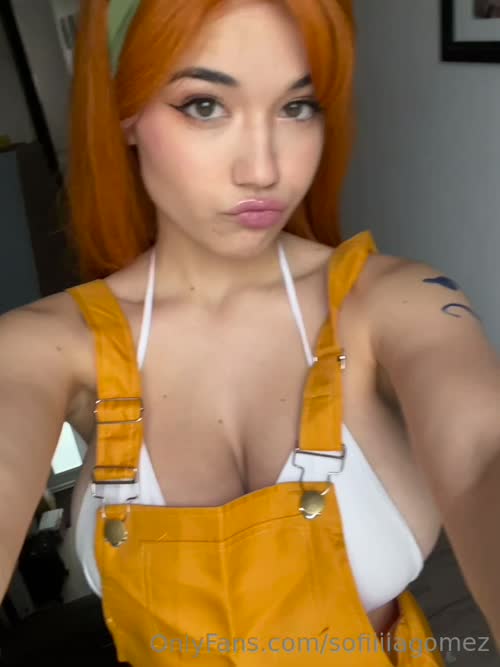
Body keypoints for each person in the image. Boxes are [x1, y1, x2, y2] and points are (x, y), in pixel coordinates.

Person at [1, 0, 499, 664]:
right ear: (124, 112)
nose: (264, 169)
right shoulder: (44, 345)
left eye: (297, 107)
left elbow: (481, 455)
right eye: (205, 105)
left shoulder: (393, 301)